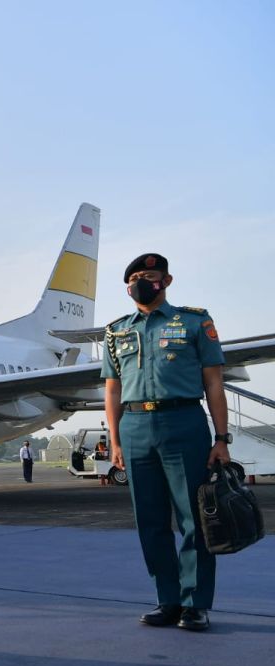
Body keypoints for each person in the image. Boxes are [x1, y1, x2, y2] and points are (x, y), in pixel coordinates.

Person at [103, 253, 229, 633]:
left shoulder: (194, 321)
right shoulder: (116, 331)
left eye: (150, 276)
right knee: (150, 520)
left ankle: (195, 604)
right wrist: (115, 440)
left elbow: (214, 383)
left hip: (183, 422)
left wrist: (221, 438)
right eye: (136, 277)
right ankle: (168, 599)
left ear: (166, 281)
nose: (142, 282)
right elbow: (112, 389)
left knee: (195, 518)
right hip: (136, 426)